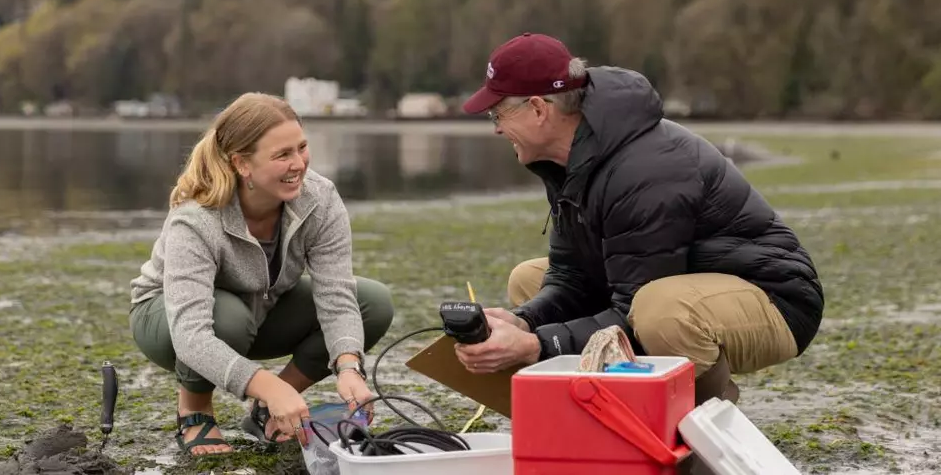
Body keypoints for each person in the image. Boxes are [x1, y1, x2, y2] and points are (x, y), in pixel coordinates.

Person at [452, 33, 824, 406]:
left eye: (497, 114)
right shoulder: (566, 160)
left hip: (775, 300)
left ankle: (705, 411)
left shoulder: (646, 168)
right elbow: (571, 276)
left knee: (659, 312)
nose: (497, 128)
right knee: (529, 278)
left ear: (538, 109)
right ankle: (598, 409)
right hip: (672, 284)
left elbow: (632, 311)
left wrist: (535, 346)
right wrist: (524, 322)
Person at [128, 92, 395, 456]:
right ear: (242, 164)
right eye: (282, 155)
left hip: (262, 307)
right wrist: (266, 382)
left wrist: (349, 367)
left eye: (301, 147)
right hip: (168, 320)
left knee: (372, 302)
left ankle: (267, 413)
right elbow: (190, 335)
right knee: (228, 318)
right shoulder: (197, 218)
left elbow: (336, 294)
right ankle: (194, 411)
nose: (299, 163)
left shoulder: (321, 198)